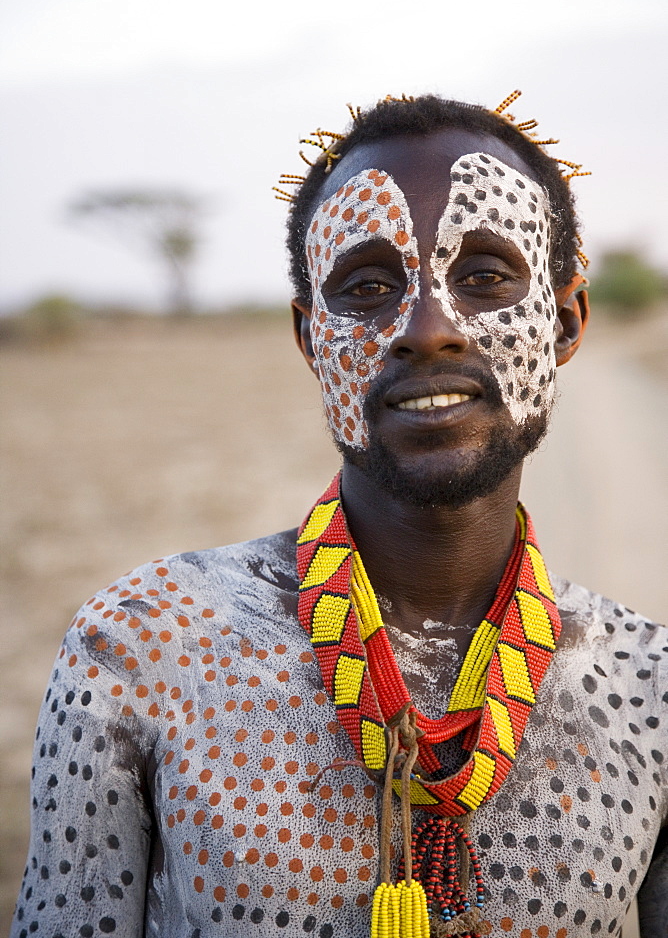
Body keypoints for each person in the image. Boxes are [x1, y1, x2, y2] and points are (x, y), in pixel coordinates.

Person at [12, 93, 667, 938]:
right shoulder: (141, 650)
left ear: (567, 319)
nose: (429, 329)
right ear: (311, 336)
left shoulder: (648, 689)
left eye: (485, 276)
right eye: (366, 288)